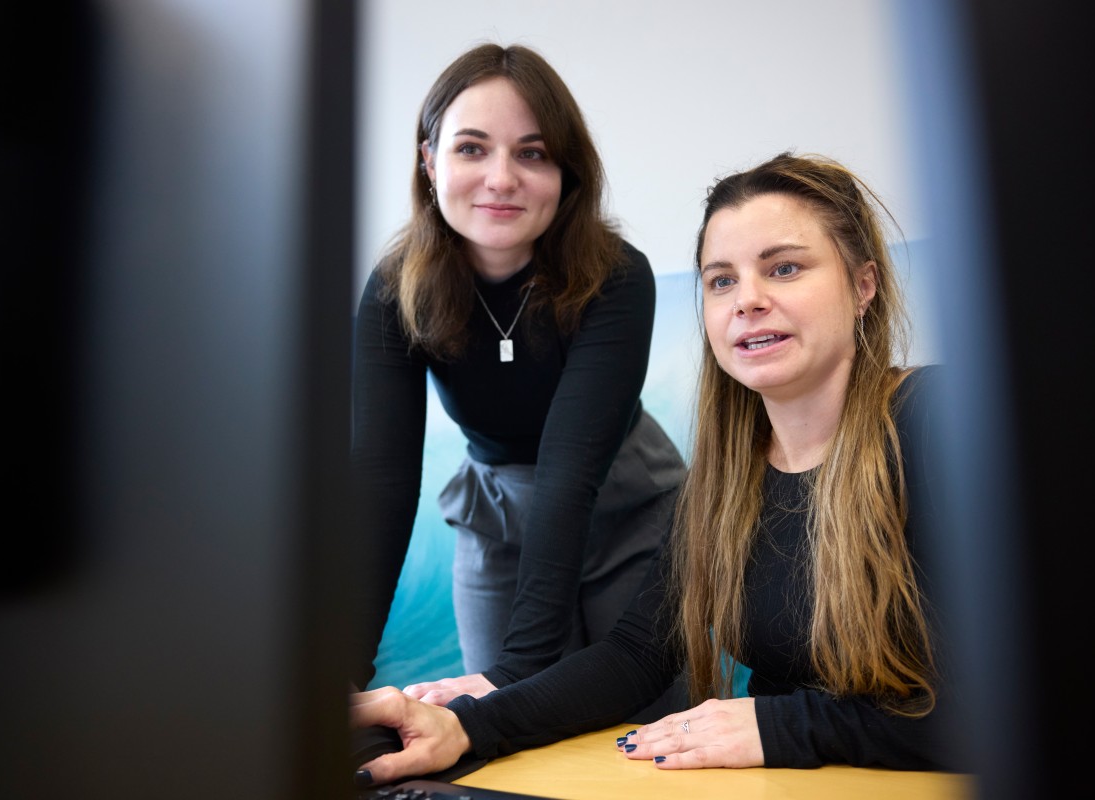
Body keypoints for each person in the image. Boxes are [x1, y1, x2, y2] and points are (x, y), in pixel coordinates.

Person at [350, 151, 963, 786]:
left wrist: (778, 725)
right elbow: (636, 654)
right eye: (721, 281)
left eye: (784, 269)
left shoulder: (940, 421)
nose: (746, 301)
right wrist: (468, 725)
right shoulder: (727, 479)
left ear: (863, 286)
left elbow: (1017, 701)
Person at [350, 42, 687, 710]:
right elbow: (382, 481)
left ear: (566, 171)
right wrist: (344, 673)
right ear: (429, 161)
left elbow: (570, 471)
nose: (501, 178)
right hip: (498, 516)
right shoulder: (394, 290)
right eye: (471, 148)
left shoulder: (617, 276)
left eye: (531, 153)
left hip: (630, 509)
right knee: (496, 744)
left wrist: (518, 675)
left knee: (647, 731)